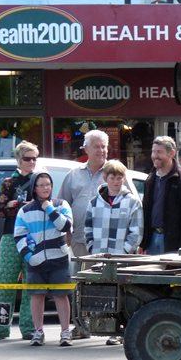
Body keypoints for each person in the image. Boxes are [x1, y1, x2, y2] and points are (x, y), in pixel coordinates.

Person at [0, 141, 38, 341]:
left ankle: (29, 327)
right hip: (10, 235)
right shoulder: (9, 182)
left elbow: (47, 206)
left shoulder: (40, 180)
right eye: (28, 158)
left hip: (33, 237)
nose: (32, 162)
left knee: (31, 282)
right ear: (19, 159)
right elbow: (0, 210)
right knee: (5, 280)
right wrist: (13, 204)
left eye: (34, 158)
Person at [84, 159, 143, 346]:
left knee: (123, 294)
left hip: (122, 257)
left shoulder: (132, 202)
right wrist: (92, 247)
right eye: (112, 178)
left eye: (119, 178)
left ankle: (123, 330)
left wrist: (125, 250)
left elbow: (136, 231)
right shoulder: (94, 202)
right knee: (105, 292)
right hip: (100, 256)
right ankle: (107, 327)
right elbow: (87, 227)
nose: (116, 181)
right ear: (105, 178)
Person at [58, 129, 108, 340]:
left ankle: (108, 326)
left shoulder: (114, 172)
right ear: (86, 149)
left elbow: (132, 202)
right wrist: (66, 232)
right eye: (97, 146)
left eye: (104, 146)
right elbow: (62, 204)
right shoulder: (74, 175)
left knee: (107, 283)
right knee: (80, 283)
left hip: (106, 241)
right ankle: (81, 326)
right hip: (79, 239)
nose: (101, 150)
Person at [13, 171, 74, 347]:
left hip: (59, 258)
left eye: (48, 184)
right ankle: (38, 331)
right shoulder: (25, 210)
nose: (46, 188)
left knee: (61, 295)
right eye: (41, 185)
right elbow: (19, 236)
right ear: (34, 188)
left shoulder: (61, 204)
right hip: (35, 261)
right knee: (37, 296)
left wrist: (49, 208)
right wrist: (29, 257)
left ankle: (65, 332)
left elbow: (66, 226)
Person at [139, 136, 181, 255]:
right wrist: (143, 243)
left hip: (175, 242)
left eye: (159, 152)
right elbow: (146, 212)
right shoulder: (150, 179)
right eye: (153, 151)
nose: (155, 156)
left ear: (172, 153)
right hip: (152, 240)